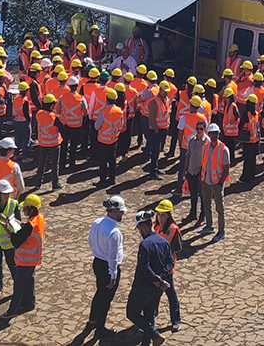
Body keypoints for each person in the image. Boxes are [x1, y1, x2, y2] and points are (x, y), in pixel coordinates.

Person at [126, 209, 173, 346]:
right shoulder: (163, 242)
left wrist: (157, 280)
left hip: (143, 287)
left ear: (142, 226)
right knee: (149, 315)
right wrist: (162, 280)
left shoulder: (145, 244)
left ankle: (154, 335)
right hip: (157, 288)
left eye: (139, 228)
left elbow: (144, 267)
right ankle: (147, 342)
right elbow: (170, 262)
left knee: (132, 313)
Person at [87, 196, 128, 335]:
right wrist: (113, 275)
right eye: (121, 212)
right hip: (107, 267)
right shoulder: (114, 232)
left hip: (97, 262)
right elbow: (113, 256)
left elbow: (90, 241)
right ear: (115, 212)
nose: (122, 214)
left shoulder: (97, 222)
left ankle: (92, 320)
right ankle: (100, 328)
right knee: (106, 298)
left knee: (99, 292)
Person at [3, 193, 45, 320]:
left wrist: (7, 228)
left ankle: (12, 310)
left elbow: (16, 241)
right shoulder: (38, 218)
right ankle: (28, 304)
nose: (23, 210)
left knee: (19, 286)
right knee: (29, 281)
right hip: (34, 258)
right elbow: (27, 232)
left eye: (25, 208)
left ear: (31, 208)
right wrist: (19, 224)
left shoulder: (29, 225)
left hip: (26, 260)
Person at [152, 200, 184, 332]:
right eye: (159, 214)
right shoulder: (155, 225)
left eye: (163, 215)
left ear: (169, 215)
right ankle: (151, 316)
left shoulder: (173, 229)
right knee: (154, 293)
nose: (160, 217)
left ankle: (176, 320)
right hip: (155, 266)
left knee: (170, 293)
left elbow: (177, 249)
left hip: (166, 268)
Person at [198, 123, 230, 240]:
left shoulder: (224, 150)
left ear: (218, 134)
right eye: (211, 133)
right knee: (207, 205)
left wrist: (220, 183)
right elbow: (204, 162)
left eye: (215, 133)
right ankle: (209, 226)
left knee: (219, 208)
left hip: (217, 183)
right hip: (206, 181)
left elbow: (226, 169)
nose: (213, 135)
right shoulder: (206, 147)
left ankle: (221, 231)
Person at [96, 88, 126, 187]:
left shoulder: (103, 111)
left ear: (106, 98)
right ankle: (112, 179)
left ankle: (102, 180)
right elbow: (121, 126)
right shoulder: (119, 111)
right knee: (112, 160)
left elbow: (97, 126)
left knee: (103, 161)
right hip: (114, 139)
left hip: (103, 140)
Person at [180, 115, 207, 225]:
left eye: (201, 128)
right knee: (193, 194)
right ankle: (192, 213)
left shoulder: (207, 142)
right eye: (197, 128)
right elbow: (188, 155)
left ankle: (202, 216)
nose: (199, 131)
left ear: (205, 129)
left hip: (200, 172)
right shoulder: (192, 140)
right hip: (191, 171)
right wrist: (185, 169)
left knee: (202, 195)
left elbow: (208, 159)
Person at [34, 93, 63, 191]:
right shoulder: (54, 117)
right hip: (54, 143)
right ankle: (55, 183)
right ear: (52, 105)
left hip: (42, 142)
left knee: (42, 162)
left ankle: (38, 182)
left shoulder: (39, 113)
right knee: (55, 164)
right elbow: (62, 127)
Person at [57, 77, 86, 172]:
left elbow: (58, 110)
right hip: (77, 126)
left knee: (64, 144)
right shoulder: (81, 98)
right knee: (73, 146)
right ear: (77, 86)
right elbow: (85, 112)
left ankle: (62, 164)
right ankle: (72, 164)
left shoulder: (62, 97)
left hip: (65, 125)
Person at [239, 95, 261, 183]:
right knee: (252, 160)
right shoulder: (256, 114)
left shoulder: (246, 114)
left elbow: (240, 125)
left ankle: (245, 178)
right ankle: (251, 176)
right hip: (255, 141)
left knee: (247, 160)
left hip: (248, 140)